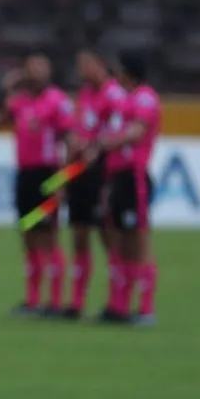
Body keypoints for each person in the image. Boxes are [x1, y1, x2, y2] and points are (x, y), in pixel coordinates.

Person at [0, 53, 74, 317]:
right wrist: (5, 86)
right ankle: (33, 299)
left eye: (41, 68)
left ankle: (55, 301)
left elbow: (69, 140)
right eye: (32, 69)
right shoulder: (20, 102)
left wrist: (63, 180)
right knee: (28, 235)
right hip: (25, 176)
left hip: (47, 176)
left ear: (49, 73)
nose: (36, 73)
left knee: (49, 236)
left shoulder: (58, 101)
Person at [98, 53, 161, 325]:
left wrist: (108, 142)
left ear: (130, 74)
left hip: (134, 176)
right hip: (118, 176)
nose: (117, 77)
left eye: (120, 72)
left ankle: (146, 309)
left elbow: (136, 132)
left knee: (138, 242)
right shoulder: (125, 100)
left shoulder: (145, 97)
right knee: (120, 241)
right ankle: (119, 306)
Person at [65, 49, 126, 318]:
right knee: (79, 233)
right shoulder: (85, 94)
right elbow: (79, 128)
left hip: (103, 169)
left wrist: (95, 148)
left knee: (107, 234)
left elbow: (118, 133)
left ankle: (117, 300)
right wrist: (75, 144)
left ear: (100, 65)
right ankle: (77, 301)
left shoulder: (115, 95)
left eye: (86, 65)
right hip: (80, 169)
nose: (81, 71)